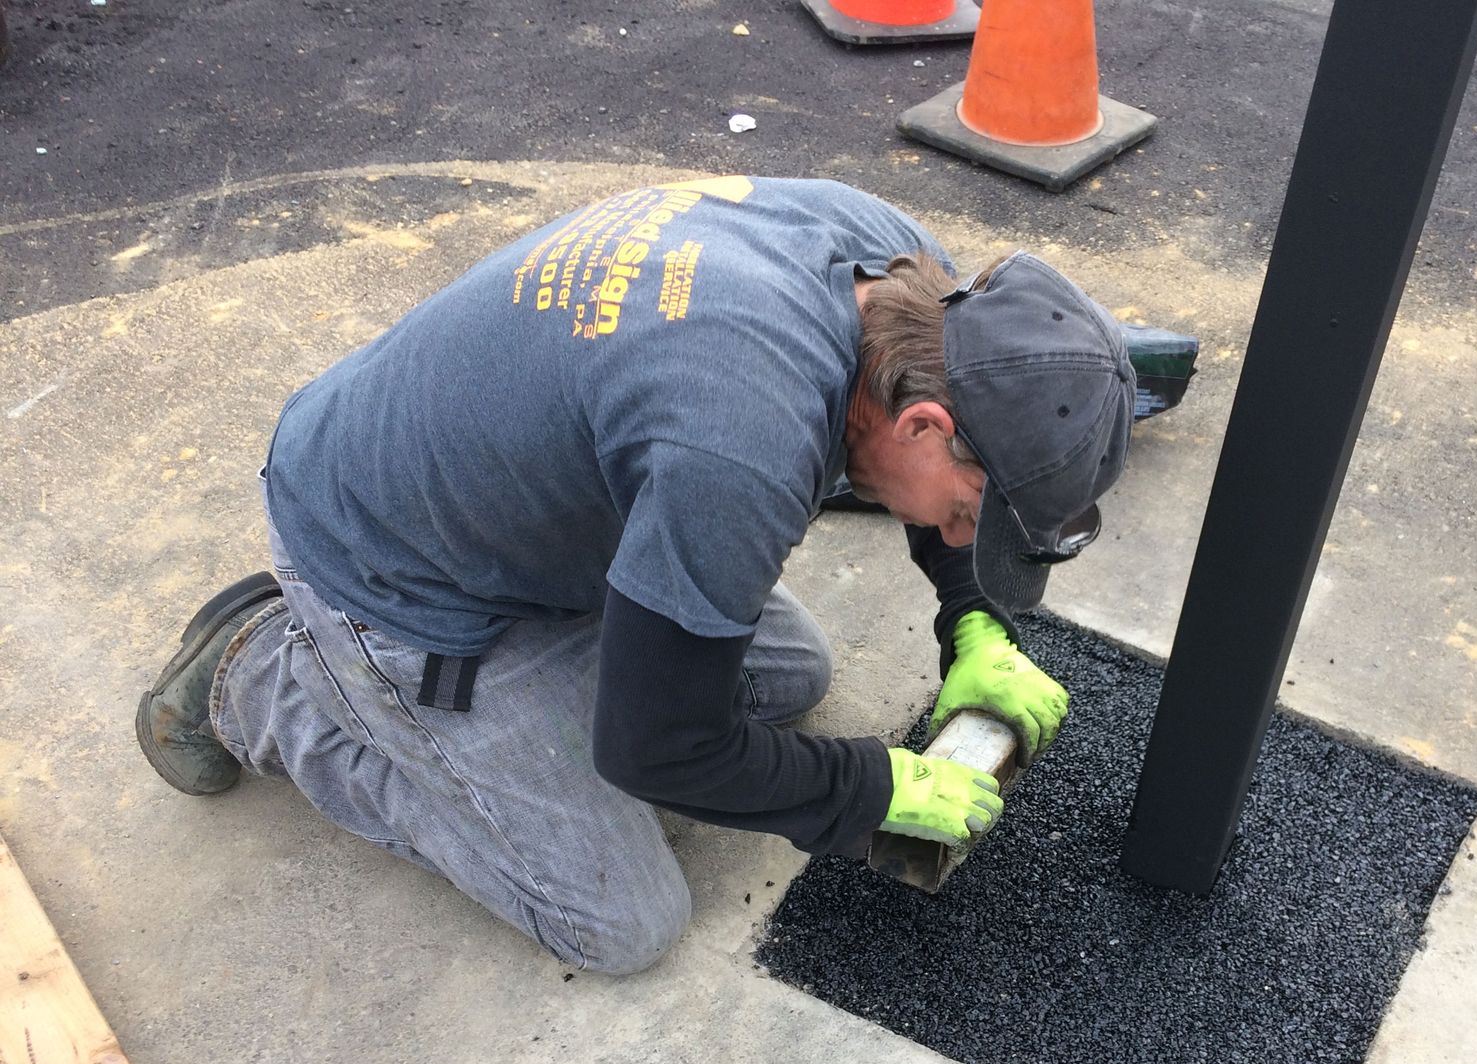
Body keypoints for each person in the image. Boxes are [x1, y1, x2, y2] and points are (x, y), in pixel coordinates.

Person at [135, 176, 1134, 975]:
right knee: (621, 923)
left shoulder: (908, 279)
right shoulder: (740, 442)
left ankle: (506, 710)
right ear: (927, 425)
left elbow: (917, 482)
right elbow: (659, 752)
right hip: (398, 572)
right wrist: (863, 790)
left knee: (790, 678)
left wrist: (973, 621)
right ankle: (264, 676)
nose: (956, 533)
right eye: (965, 517)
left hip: (520, 501)